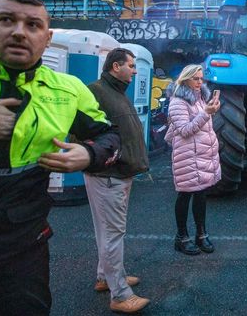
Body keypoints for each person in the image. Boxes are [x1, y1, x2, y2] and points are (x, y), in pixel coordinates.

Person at [0, 0, 120, 315]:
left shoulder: (68, 89)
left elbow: (110, 135)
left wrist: (89, 154)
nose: (19, 31)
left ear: (47, 37)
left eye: (33, 24)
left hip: (17, 247)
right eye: (6, 20)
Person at [85, 48, 150, 313]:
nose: (135, 71)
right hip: (109, 176)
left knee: (107, 231)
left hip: (117, 174)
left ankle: (106, 277)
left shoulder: (116, 92)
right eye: (131, 66)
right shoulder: (97, 91)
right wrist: (109, 158)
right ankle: (120, 294)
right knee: (113, 234)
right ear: (115, 66)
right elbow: (84, 131)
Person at [164, 64, 221, 255]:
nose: (199, 82)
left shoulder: (200, 99)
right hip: (187, 155)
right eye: (195, 78)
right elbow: (186, 130)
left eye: (201, 78)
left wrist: (208, 110)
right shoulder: (178, 102)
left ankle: (201, 234)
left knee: (201, 194)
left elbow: (203, 128)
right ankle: (181, 237)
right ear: (185, 79)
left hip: (202, 155)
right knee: (185, 194)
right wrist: (207, 113)